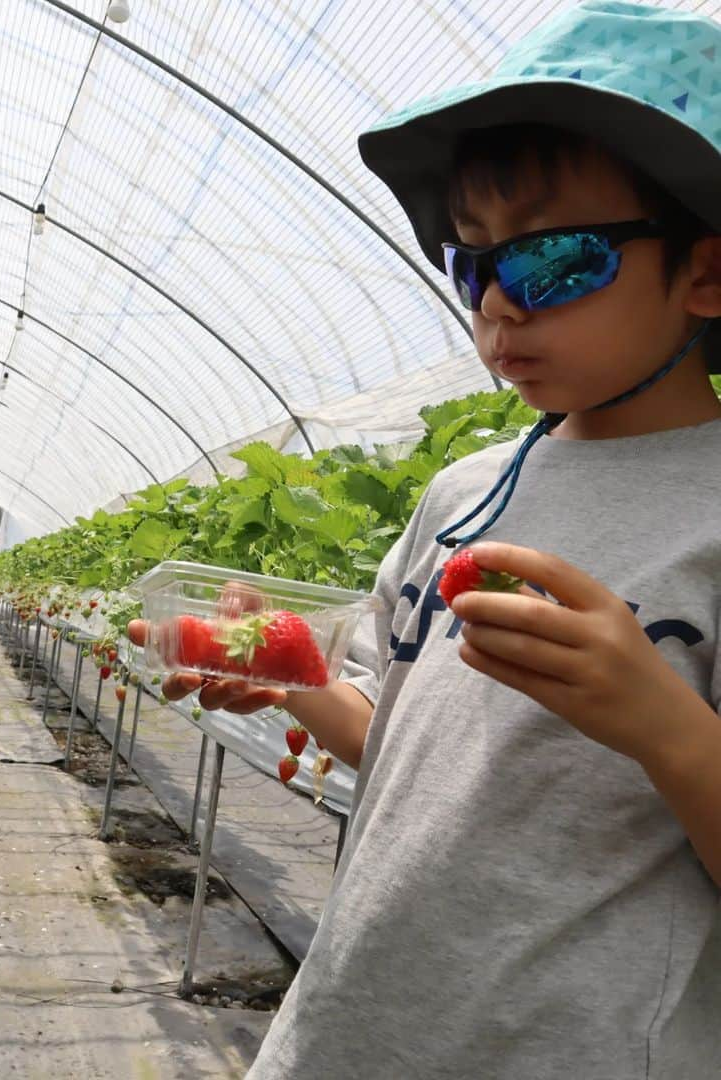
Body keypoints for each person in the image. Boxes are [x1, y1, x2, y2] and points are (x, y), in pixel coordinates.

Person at [127, 3, 721, 1076]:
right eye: (474, 266)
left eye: (555, 263)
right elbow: (396, 746)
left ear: (707, 275)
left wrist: (665, 727)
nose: (499, 310)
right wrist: (295, 674)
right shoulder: (464, 492)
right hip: (348, 1029)